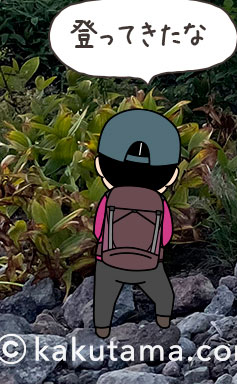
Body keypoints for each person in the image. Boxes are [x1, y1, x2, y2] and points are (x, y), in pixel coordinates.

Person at [90, 108, 181, 338]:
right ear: (170, 176)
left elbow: (99, 229)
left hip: (109, 261)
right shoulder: (159, 202)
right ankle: (163, 322)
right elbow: (166, 234)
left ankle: (102, 328)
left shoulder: (109, 197)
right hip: (148, 265)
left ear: (101, 166)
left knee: (104, 297)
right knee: (164, 296)